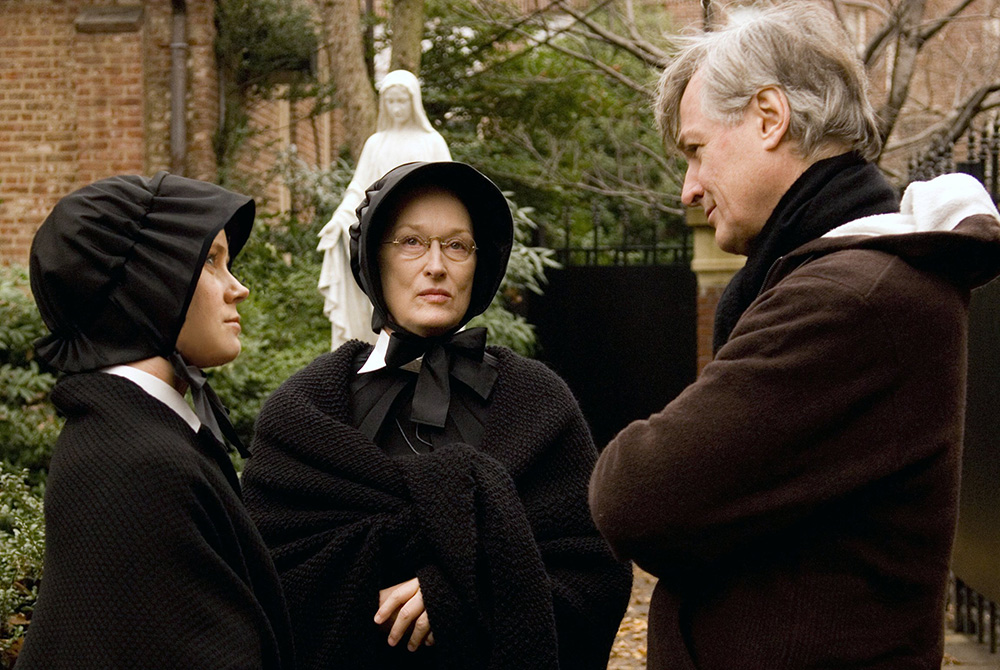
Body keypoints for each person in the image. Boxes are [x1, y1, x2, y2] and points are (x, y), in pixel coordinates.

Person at [588, 3, 1000, 669]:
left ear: (770, 118)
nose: (688, 189)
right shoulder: (846, 281)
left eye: (695, 150)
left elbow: (634, 496)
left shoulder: (853, 300)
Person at [243, 160, 632, 669]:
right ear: (372, 259)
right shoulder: (306, 409)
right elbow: (268, 581)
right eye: (410, 242)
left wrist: (462, 602)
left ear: (480, 262)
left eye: (457, 245)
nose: (435, 265)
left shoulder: (537, 403)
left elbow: (592, 577)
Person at [18, 172, 294, 669]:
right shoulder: (139, 463)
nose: (240, 289)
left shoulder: (133, 431)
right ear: (149, 282)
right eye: (211, 261)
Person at [317, 70, 452, 349]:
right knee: (379, 296)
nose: (396, 108)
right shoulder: (376, 144)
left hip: (423, 241)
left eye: (402, 101)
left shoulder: (431, 142)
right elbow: (359, 189)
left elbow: (449, 193)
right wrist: (339, 219)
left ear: (413, 102)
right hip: (381, 237)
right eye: (390, 102)